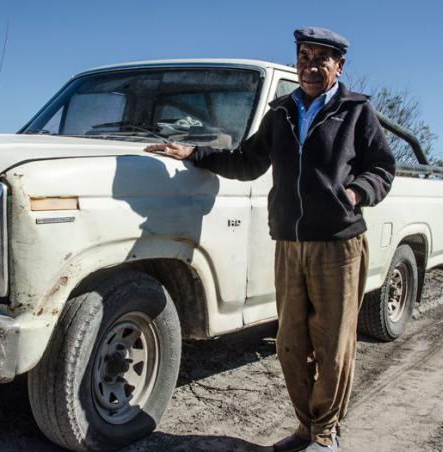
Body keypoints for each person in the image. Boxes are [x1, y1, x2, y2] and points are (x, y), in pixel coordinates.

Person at [145, 27, 395, 452]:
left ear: (339, 65)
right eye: (304, 57)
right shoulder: (281, 111)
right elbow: (248, 162)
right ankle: (304, 426)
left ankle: (325, 432)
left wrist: (355, 193)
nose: (311, 66)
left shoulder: (356, 112)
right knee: (291, 342)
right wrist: (197, 154)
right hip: (289, 243)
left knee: (332, 343)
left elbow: (382, 167)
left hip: (339, 243)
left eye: (321, 59)